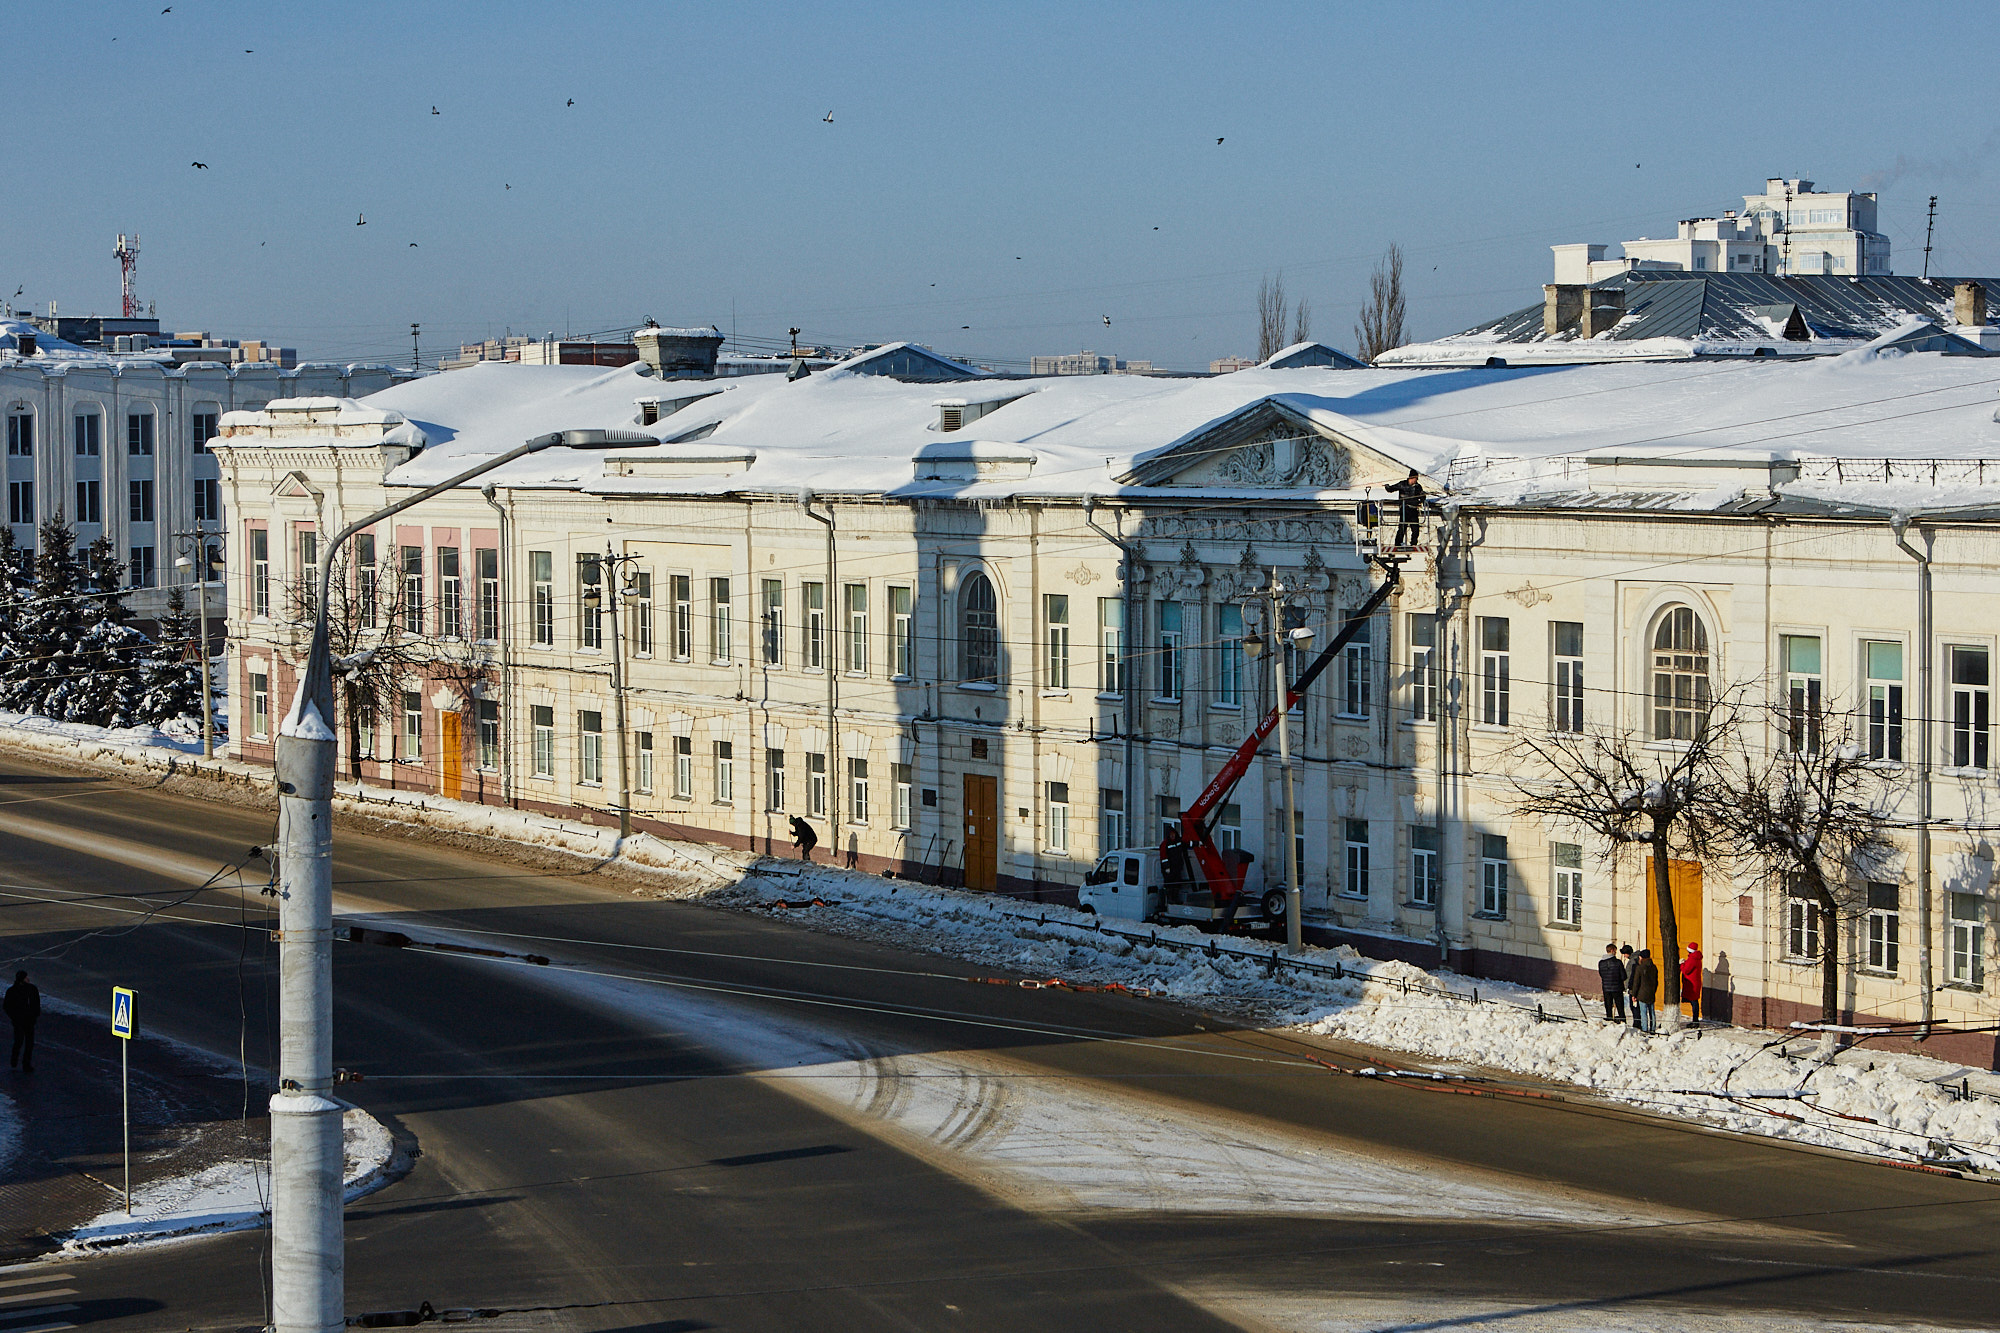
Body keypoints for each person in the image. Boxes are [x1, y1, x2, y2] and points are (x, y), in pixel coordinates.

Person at [4, 970, 38, 1072]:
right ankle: (23, 1063)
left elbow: (7, 1006)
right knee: (25, 1042)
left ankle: (17, 1061)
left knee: (22, 1042)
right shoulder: (31, 989)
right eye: (26, 977)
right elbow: (36, 1004)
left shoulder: (12, 990)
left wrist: (14, 1017)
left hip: (23, 1020)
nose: (28, 979)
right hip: (24, 1020)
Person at [1385, 470, 1427, 549]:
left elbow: (1422, 498)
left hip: (1413, 509)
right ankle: (1398, 543)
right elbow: (1392, 489)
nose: (1416, 480)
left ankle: (1413, 543)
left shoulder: (1418, 487)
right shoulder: (1402, 484)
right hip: (1405, 509)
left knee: (1415, 528)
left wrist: (1422, 496)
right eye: (1415, 478)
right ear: (1411, 477)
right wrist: (1388, 487)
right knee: (1402, 527)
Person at [1629, 948, 1659, 1034]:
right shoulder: (1654, 967)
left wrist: (1634, 994)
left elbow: (1636, 983)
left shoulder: (1640, 968)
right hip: (1651, 993)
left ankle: (1645, 1029)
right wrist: (1653, 990)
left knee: (1643, 1012)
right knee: (1652, 1012)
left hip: (1641, 994)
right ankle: (1653, 1028)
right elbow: (1656, 981)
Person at [1597, 944, 1627, 1023]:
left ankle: (1609, 1021)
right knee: (1620, 1007)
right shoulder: (1618, 962)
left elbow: (1601, 974)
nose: (1615, 953)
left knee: (1608, 1006)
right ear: (1612, 950)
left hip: (1606, 987)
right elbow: (1623, 976)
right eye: (1615, 951)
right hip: (1617, 988)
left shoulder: (1601, 963)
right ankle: (1623, 1022)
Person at [1680, 943, 1704, 1024]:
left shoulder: (1692, 959)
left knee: (1693, 1002)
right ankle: (1695, 1020)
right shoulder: (1696, 958)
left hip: (1692, 984)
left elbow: (1686, 970)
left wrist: (1682, 964)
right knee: (1694, 1001)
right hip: (1695, 983)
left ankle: (1695, 1021)